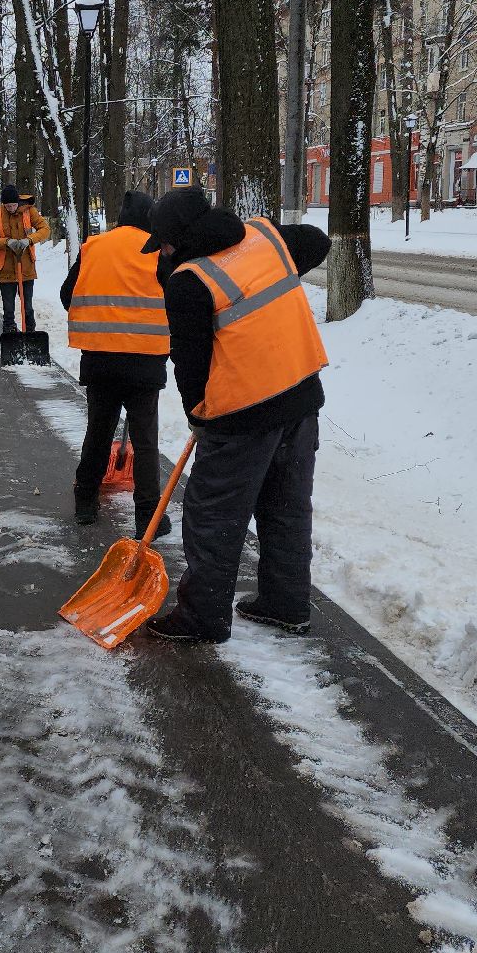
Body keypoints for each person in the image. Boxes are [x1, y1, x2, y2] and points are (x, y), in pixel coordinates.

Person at [137, 187, 331, 643]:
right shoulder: (264, 237)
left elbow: (190, 364)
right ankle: (285, 605)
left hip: (242, 415)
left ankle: (202, 617)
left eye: (163, 243)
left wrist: (198, 416)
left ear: (179, 239)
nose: (161, 252)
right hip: (301, 398)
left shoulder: (189, 281)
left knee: (212, 517)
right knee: (286, 508)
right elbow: (317, 242)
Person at [60, 190, 170, 536]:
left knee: (98, 431)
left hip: (100, 361)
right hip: (145, 363)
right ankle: (147, 515)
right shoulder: (158, 251)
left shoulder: (94, 246)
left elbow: (67, 295)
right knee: (146, 438)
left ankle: (86, 502)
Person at [0, 185, 51, 334]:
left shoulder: (29, 210)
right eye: (8, 206)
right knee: (8, 308)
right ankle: (10, 332)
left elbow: (45, 229)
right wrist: (7, 242)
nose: (11, 208)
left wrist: (29, 240)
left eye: (14, 205)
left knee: (27, 306)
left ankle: (29, 333)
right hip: (6, 268)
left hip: (26, 266)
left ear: (18, 202)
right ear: (4, 204)